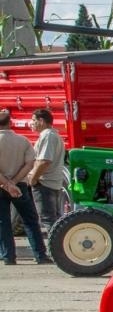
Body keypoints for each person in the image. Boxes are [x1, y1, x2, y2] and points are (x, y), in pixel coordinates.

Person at [0, 109, 49, 265]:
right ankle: (40, 255)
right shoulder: (23, 141)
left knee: (3, 222)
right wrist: (14, 182)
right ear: (10, 122)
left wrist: (6, 184)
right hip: (20, 185)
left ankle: (8, 256)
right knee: (30, 220)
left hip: (1, 185)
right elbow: (30, 163)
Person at [25, 108, 69, 228]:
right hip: (51, 184)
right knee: (54, 220)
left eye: (33, 120)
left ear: (41, 121)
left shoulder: (48, 136)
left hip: (45, 184)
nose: (31, 123)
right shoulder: (53, 135)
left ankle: (54, 246)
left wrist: (33, 179)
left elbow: (44, 161)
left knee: (48, 220)